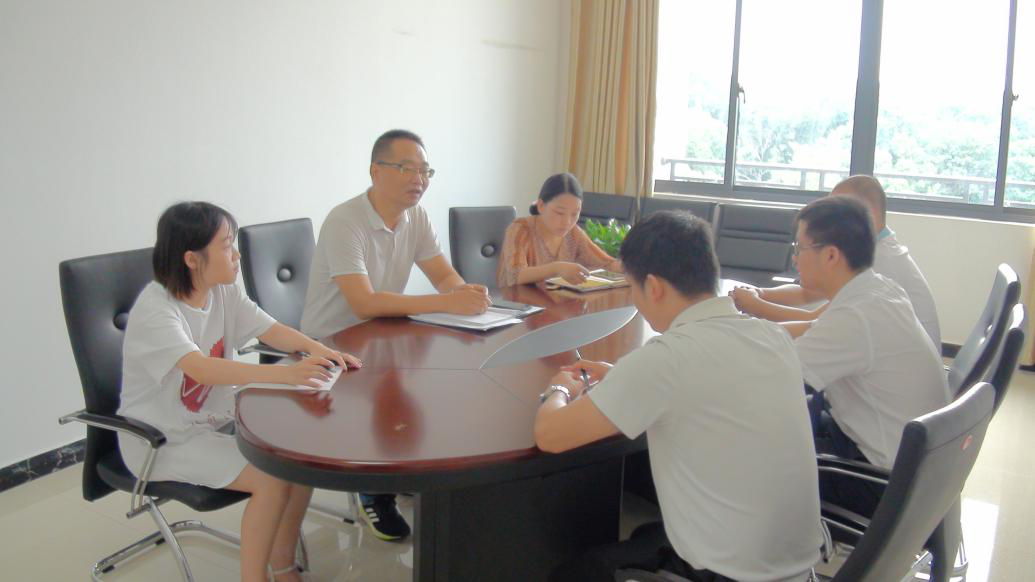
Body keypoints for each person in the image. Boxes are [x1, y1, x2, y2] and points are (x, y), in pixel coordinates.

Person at [534, 211, 822, 582]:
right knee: (646, 535)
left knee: (572, 573)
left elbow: (551, 435)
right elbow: (709, 379)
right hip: (796, 565)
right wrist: (623, 375)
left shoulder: (667, 359)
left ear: (653, 286)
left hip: (731, 573)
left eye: (633, 288)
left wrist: (560, 388)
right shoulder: (772, 337)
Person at [118, 202, 361, 582]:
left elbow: (271, 329)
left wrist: (323, 352)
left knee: (299, 459)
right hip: (162, 440)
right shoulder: (157, 309)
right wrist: (287, 375)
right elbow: (201, 368)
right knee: (271, 478)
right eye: (226, 245)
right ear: (192, 259)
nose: (237, 254)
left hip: (212, 421)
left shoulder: (222, 291)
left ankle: (283, 565)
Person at [301, 129, 491, 541]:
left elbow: (443, 275)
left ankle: (404, 467)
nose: (418, 180)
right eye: (407, 168)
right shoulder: (345, 221)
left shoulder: (415, 217)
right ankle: (374, 489)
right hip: (332, 344)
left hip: (382, 335)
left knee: (437, 380)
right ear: (376, 171)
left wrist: (467, 296)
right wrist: (447, 303)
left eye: (425, 171)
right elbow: (364, 303)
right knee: (395, 390)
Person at [783, 196, 950, 519]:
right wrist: (752, 331)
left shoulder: (856, 318)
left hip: (881, 484)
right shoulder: (879, 289)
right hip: (915, 472)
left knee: (755, 460)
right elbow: (813, 333)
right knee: (792, 424)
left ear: (831, 255)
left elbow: (774, 376)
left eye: (799, 248)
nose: (795, 258)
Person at [730, 175, 942, 350]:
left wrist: (755, 307)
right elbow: (808, 293)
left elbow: (816, 322)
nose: (826, 218)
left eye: (838, 211)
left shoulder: (879, 263)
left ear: (867, 215)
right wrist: (759, 293)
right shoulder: (865, 254)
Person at [496, 172, 622, 288]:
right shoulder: (520, 229)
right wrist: (557, 268)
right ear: (541, 206)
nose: (567, 222)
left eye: (574, 214)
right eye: (560, 213)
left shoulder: (574, 234)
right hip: (514, 302)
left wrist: (630, 266)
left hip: (554, 301)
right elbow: (516, 276)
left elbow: (606, 264)